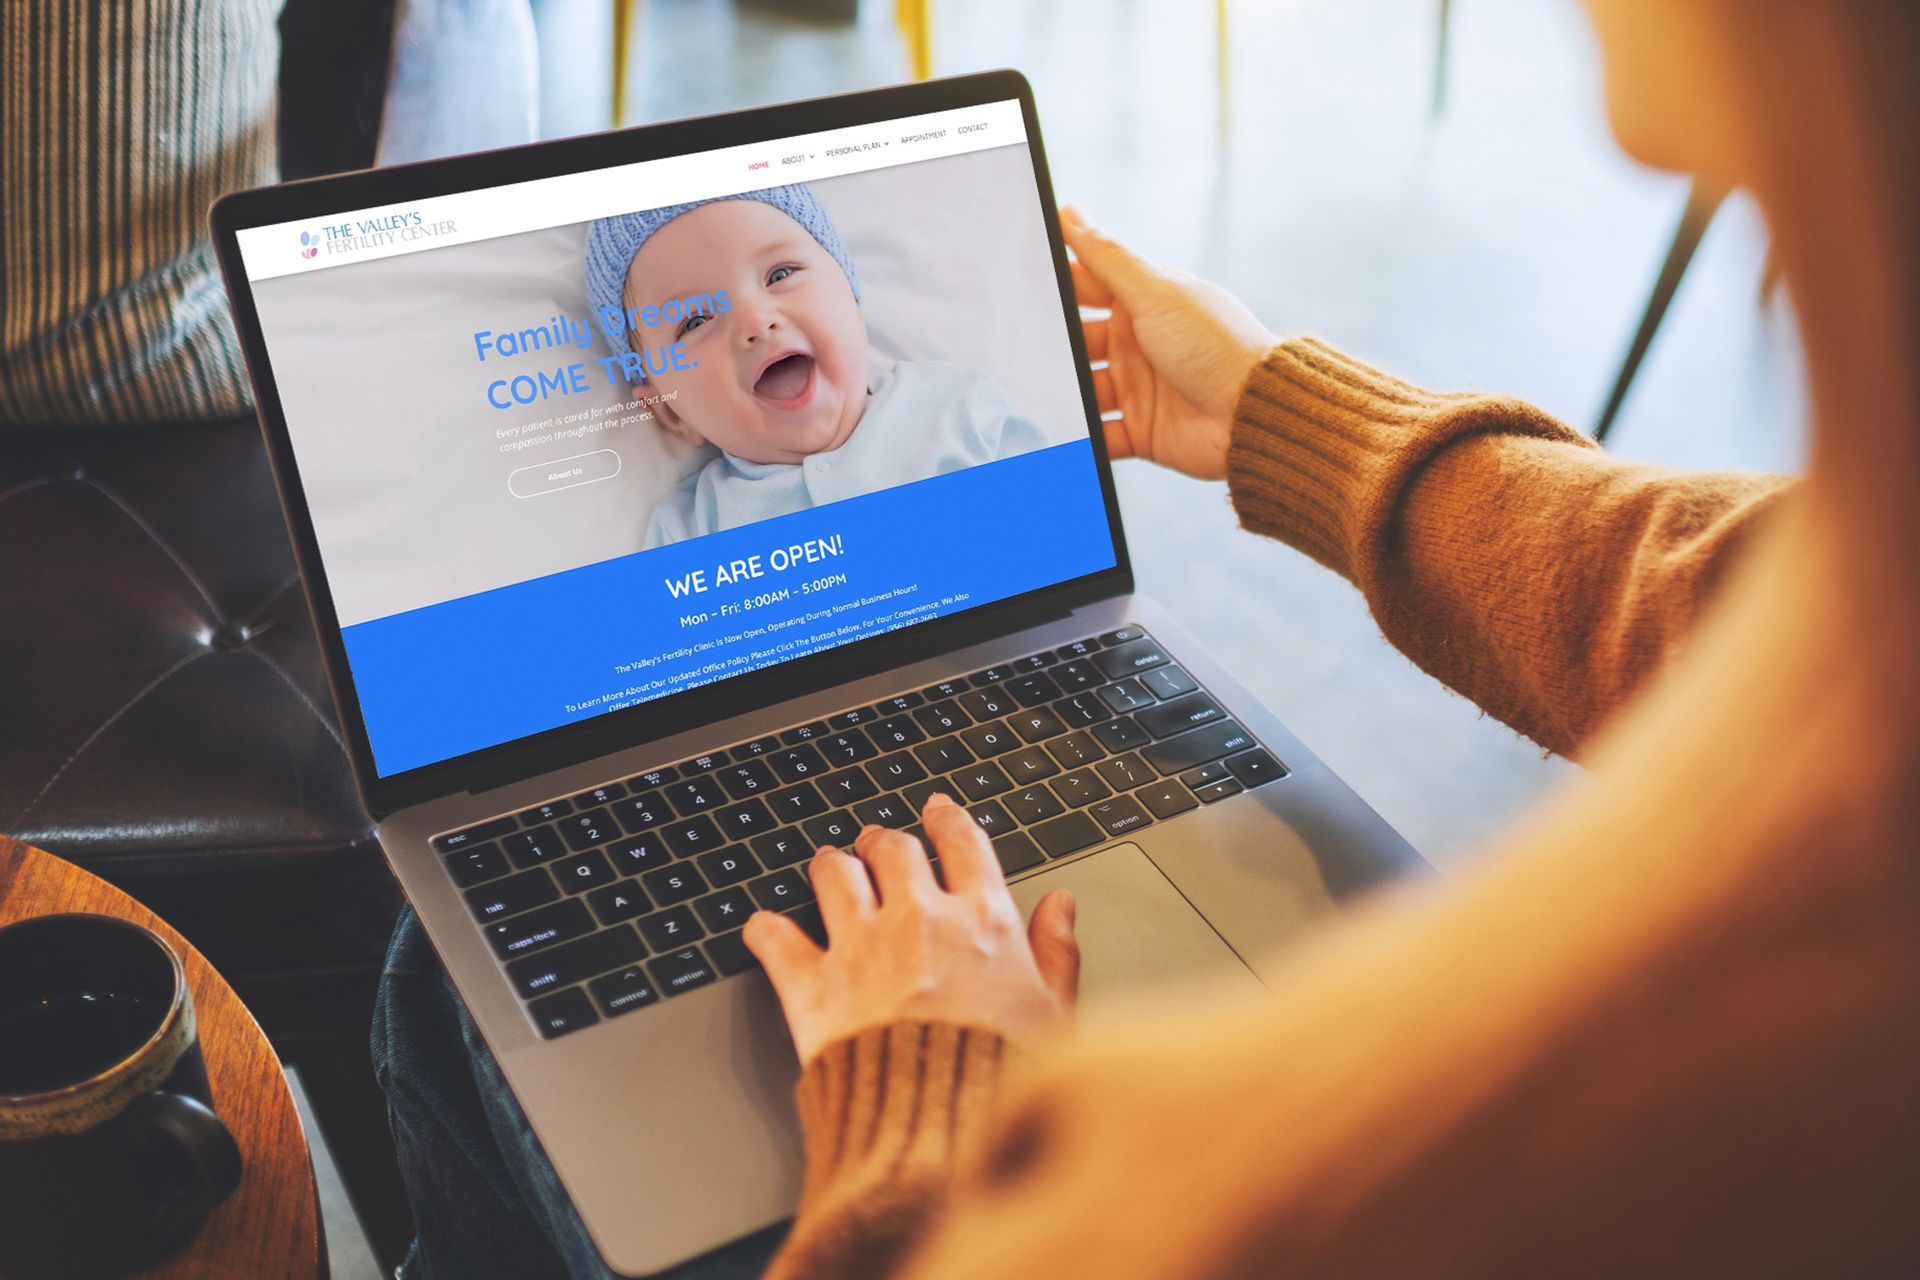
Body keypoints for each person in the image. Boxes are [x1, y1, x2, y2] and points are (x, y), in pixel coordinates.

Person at [376, 0, 1920, 1274]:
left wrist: (920, 1118)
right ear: (655, 404)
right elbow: (1751, 587)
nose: (757, 322)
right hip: (803, 743)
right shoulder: (686, 512)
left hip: (959, 965)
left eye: (785, 275)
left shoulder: (947, 414)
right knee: (449, 939)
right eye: (693, 328)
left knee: (433, 995)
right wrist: (1270, 410)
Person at [582, 184, 1049, 548]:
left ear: (850, 296)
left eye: (779, 275)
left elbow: (1058, 543)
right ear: (669, 410)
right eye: (696, 319)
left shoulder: (957, 409)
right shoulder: (693, 530)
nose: (756, 321)